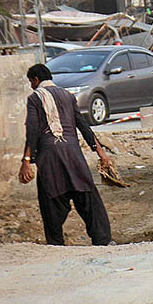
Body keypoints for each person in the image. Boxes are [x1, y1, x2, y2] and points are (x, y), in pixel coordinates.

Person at [19, 64, 113, 246]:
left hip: (49, 157)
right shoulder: (68, 96)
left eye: (31, 82)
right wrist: (101, 153)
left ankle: (56, 243)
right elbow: (83, 126)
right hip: (74, 156)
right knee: (88, 197)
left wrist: (26, 161)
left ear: (36, 80)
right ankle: (103, 240)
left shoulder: (34, 98)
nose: (31, 86)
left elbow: (32, 131)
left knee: (51, 201)